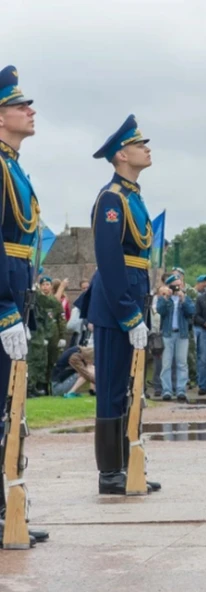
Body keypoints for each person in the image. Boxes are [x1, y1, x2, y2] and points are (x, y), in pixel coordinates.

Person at [85, 114, 160, 495]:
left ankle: (130, 464)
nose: (147, 149)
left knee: (132, 387)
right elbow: (110, 261)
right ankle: (110, 472)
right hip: (117, 305)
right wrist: (130, 312)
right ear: (121, 155)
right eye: (139, 144)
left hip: (134, 297)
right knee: (113, 386)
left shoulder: (133, 197)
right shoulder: (112, 199)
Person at [0, 64, 49, 546]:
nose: (30, 110)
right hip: (3, 300)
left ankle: (7, 507)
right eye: (19, 105)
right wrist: (2, 308)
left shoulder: (12, 166)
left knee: (10, 410)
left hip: (18, 293)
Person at [156, 273, 196, 402]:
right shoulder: (164, 298)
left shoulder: (186, 298)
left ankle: (181, 390)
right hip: (168, 333)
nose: (177, 288)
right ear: (169, 286)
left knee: (182, 363)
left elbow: (191, 312)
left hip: (182, 334)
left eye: (179, 285)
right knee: (166, 363)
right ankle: (167, 390)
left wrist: (183, 300)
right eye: (175, 286)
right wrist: (166, 297)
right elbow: (160, 311)